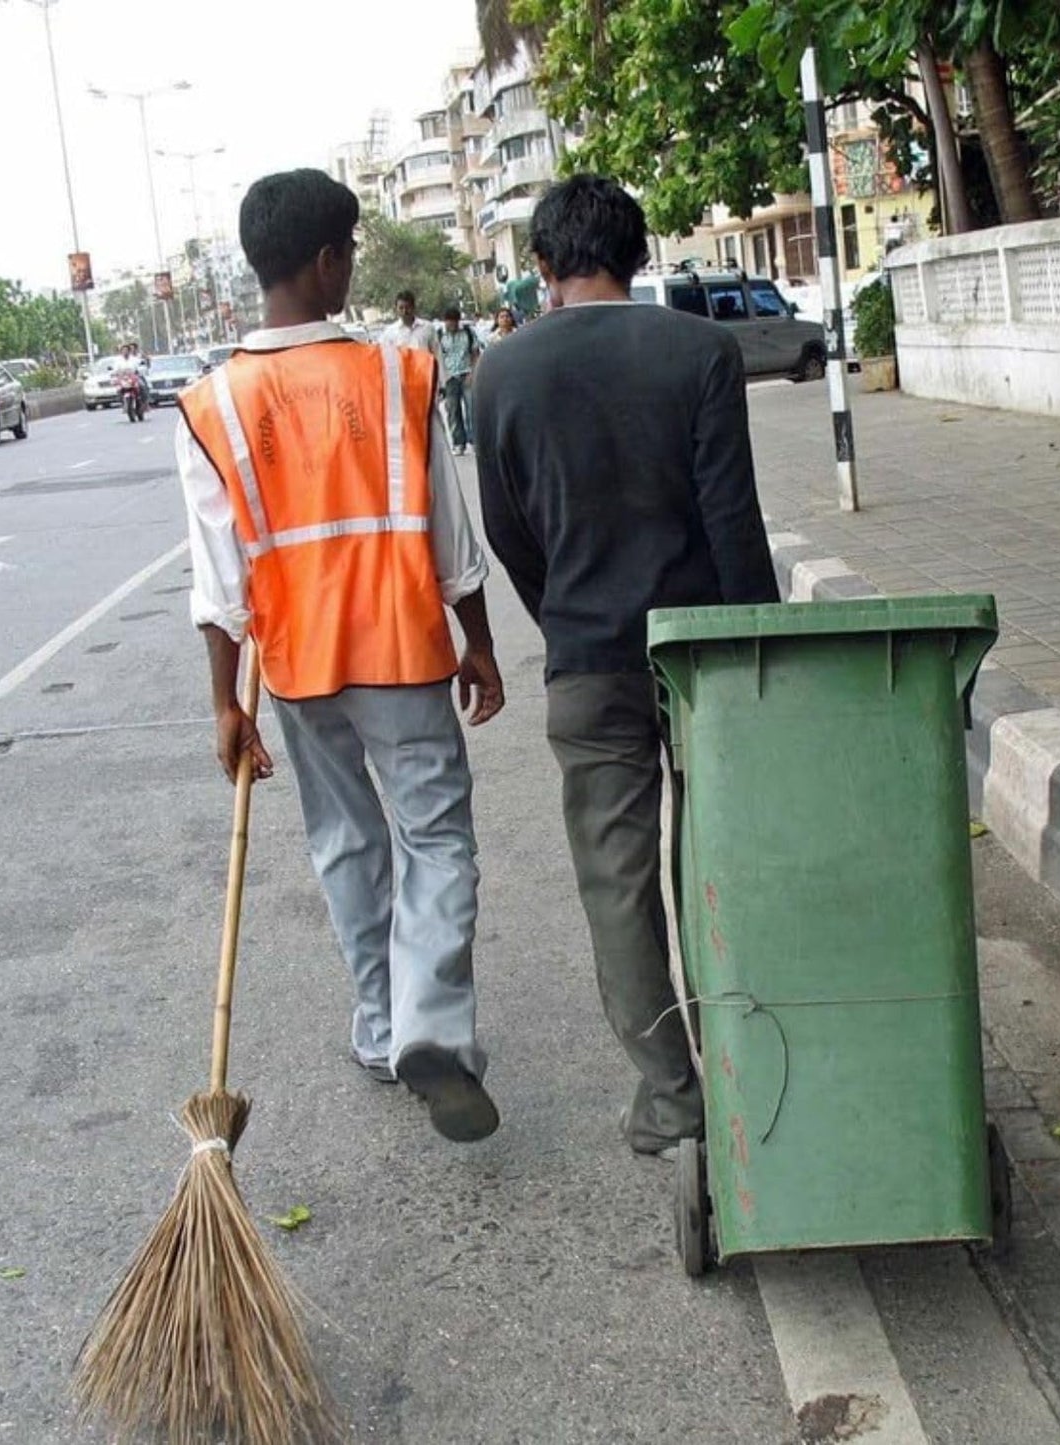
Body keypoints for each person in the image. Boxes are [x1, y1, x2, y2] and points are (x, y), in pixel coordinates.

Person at [177, 168, 506, 1143]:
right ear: (326, 261)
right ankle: (429, 1024)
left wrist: (226, 704)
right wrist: (479, 643)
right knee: (435, 839)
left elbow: (217, 581)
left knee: (346, 841)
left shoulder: (213, 403)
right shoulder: (398, 374)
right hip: (400, 647)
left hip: (297, 667)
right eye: (350, 250)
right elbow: (451, 537)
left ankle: (379, 1024)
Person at [472, 175, 779, 1160]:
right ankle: (760, 1060)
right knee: (723, 857)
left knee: (618, 885)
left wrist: (564, 615)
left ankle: (671, 1095)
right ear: (638, 255)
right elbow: (732, 522)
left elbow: (510, 535)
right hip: (704, 657)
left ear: (542, 266)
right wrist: (762, 653)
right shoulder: (699, 352)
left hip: (587, 663)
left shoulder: (497, 376)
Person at [437, 305, 479, 457]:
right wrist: (441, 378)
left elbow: (475, 352)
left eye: (454, 322)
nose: (451, 325)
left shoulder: (467, 332)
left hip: (467, 374)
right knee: (453, 411)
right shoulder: (439, 335)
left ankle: (475, 441)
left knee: (472, 409)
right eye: (448, 322)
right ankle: (458, 443)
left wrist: (473, 372)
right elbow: (437, 357)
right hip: (449, 377)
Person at [380, 290, 438, 357]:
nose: (404, 311)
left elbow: (437, 353)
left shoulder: (427, 328)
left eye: (407, 307)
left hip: (424, 363)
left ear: (413, 307)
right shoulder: (390, 332)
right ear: (396, 309)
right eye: (401, 308)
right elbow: (385, 356)